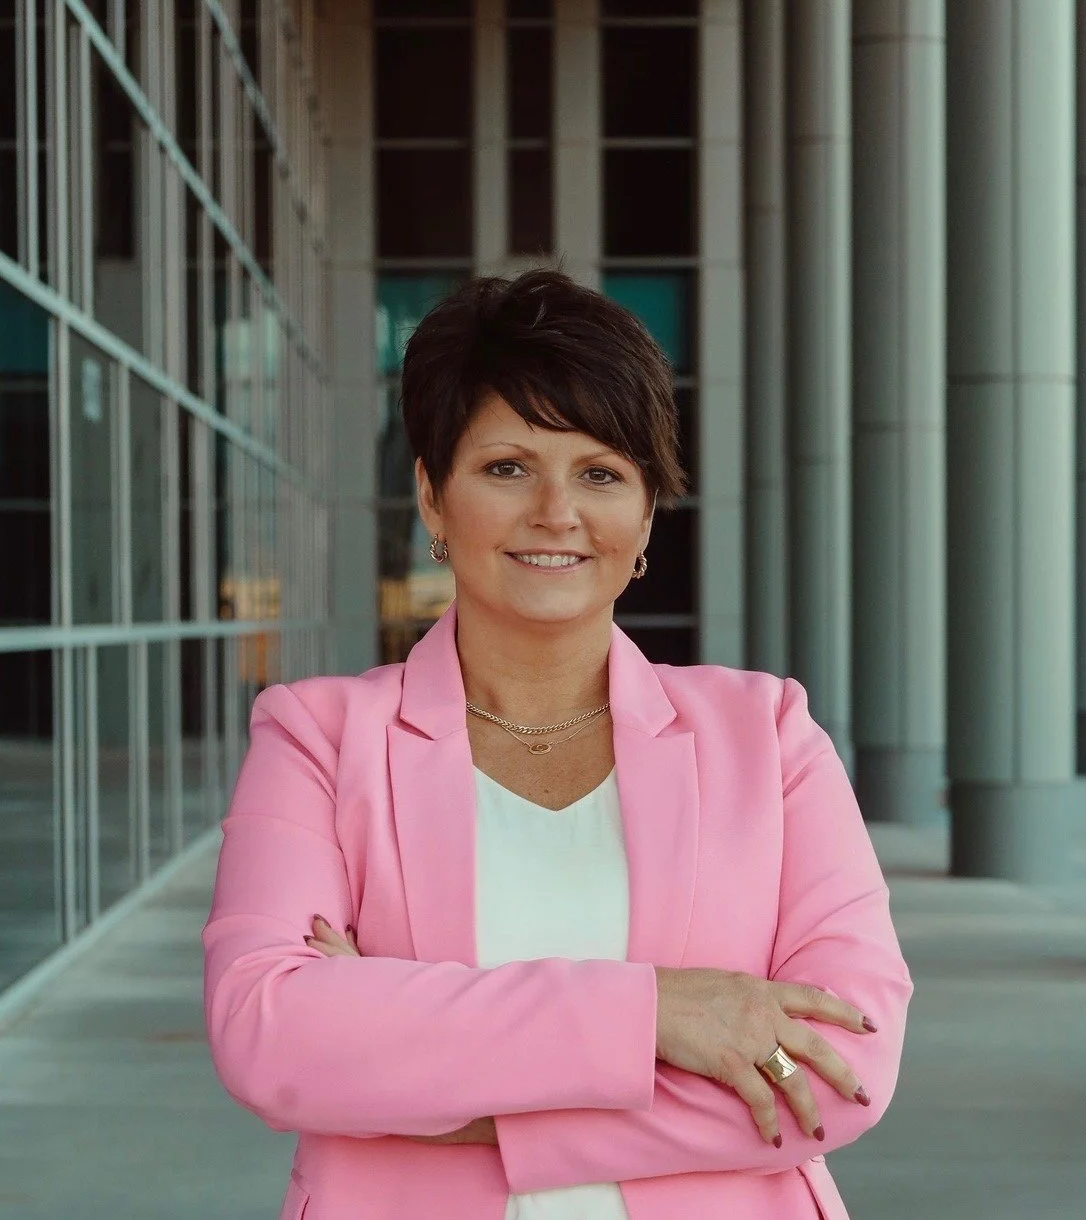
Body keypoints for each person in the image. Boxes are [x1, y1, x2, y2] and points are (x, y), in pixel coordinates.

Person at [203, 268, 913, 1220]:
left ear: (646, 515)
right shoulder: (320, 738)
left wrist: (416, 1074)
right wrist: (658, 1014)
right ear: (431, 496)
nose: (555, 512)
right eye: (507, 467)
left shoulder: (768, 737)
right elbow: (271, 1033)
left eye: (601, 473)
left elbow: (840, 1071)